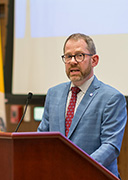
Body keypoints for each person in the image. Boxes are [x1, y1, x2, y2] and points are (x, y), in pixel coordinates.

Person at [37, 33, 127, 178]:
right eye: (68, 56)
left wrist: (75, 169)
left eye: (79, 56)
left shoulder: (112, 98)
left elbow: (110, 146)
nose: (73, 61)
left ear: (94, 60)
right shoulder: (53, 93)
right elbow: (41, 138)